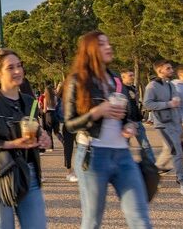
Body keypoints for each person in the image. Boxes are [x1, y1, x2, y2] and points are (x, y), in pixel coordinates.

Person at [64, 31, 152, 228]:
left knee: (140, 217)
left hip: (123, 155)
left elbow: (126, 114)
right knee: (92, 220)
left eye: (108, 42)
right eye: (102, 44)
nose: (109, 47)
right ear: (90, 50)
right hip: (93, 154)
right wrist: (96, 112)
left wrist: (128, 124)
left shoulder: (115, 79)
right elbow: (69, 124)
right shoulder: (78, 80)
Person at [0, 49, 51, 229]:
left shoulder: (30, 102)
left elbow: (33, 134)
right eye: (10, 68)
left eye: (19, 66)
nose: (17, 71)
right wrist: (9, 144)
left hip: (28, 172)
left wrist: (43, 140)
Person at [144, 60, 183, 197]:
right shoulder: (152, 86)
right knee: (177, 151)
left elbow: (177, 105)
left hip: (175, 123)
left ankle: (152, 173)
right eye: (168, 68)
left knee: (169, 149)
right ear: (160, 70)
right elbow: (148, 104)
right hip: (163, 123)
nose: (171, 70)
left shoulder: (170, 85)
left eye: (171, 68)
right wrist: (168, 104)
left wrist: (182, 123)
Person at [120, 70, 156, 163]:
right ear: (123, 77)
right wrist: (126, 121)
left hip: (137, 121)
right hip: (126, 122)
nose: (132, 77)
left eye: (133, 75)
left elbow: (135, 104)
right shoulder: (120, 89)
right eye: (130, 75)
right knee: (124, 146)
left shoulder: (133, 88)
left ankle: (152, 165)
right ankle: (121, 166)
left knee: (145, 145)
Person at [57, 84, 77, 182]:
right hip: (69, 126)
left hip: (79, 125)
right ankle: (69, 172)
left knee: (84, 148)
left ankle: (79, 170)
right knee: (68, 149)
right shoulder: (63, 100)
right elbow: (60, 115)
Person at [42, 85, 63, 152]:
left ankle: (51, 147)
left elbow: (45, 110)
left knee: (49, 132)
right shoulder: (55, 97)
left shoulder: (46, 99)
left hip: (48, 115)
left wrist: (41, 110)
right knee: (57, 132)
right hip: (55, 114)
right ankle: (64, 141)